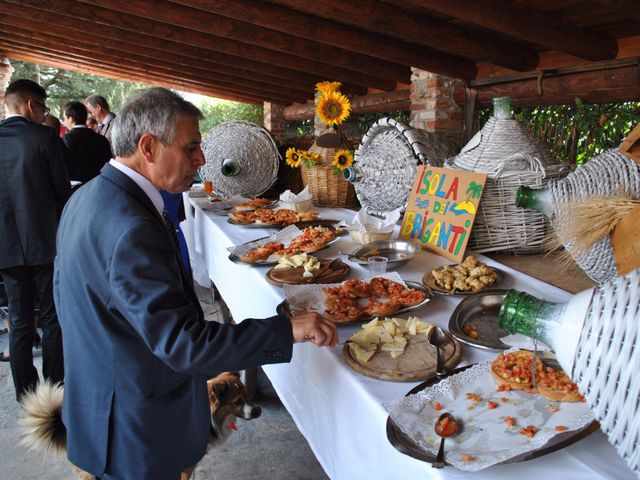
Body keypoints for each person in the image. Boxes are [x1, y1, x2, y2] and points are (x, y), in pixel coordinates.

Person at [54, 87, 338, 479]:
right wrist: (286, 331)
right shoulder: (133, 227)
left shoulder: (87, 197)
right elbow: (183, 344)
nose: (201, 160)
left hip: (100, 408)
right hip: (135, 427)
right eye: (191, 148)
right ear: (148, 147)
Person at [0, 79, 70, 401]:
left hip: (5, 247)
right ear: (31, 106)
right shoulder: (45, 137)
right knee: (53, 317)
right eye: (44, 109)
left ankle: (25, 394)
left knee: (20, 320)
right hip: (45, 242)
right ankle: (55, 386)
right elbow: (62, 193)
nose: (45, 115)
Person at [61, 101, 112, 184]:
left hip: (80, 189)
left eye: (64, 119)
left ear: (71, 119)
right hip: (102, 184)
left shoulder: (67, 139)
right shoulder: (101, 139)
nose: (64, 122)